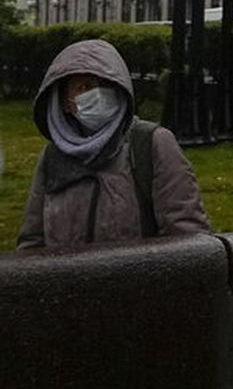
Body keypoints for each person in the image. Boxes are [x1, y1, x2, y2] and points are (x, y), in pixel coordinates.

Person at [17, 38, 210, 249]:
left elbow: (188, 239)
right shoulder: (53, 156)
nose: (98, 94)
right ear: (64, 102)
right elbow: (32, 243)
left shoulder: (151, 144)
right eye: (85, 86)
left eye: (106, 84)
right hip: (67, 281)